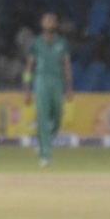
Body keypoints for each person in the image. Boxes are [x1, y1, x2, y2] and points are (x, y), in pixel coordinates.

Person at [23, 12, 73, 167]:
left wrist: (69, 87)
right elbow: (29, 67)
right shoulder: (36, 43)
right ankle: (45, 155)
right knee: (43, 118)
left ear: (56, 25)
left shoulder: (62, 42)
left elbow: (66, 66)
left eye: (52, 21)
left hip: (57, 81)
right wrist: (27, 89)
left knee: (57, 116)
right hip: (41, 80)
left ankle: (44, 143)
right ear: (42, 24)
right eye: (47, 21)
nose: (50, 23)